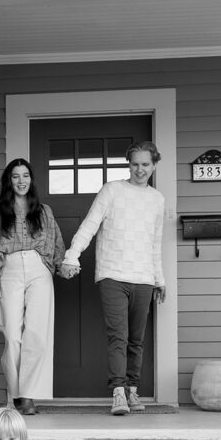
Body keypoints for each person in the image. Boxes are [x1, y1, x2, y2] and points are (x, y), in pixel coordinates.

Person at [60, 141, 166, 415]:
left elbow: (155, 243)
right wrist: (72, 256)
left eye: (145, 164)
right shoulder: (112, 190)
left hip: (143, 277)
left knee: (137, 339)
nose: (140, 170)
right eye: (135, 164)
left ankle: (133, 391)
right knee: (118, 335)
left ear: (154, 165)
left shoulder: (157, 199)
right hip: (112, 274)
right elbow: (90, 225)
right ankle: (118, 393)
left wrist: (159, 278)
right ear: (128, 165)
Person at [0, 158, 66, 416]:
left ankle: (26, 396)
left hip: (39, 269)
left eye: (25, 175)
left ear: (31, 179)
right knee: (12, 335)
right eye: (15, 176)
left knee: (37, 334)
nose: (21, 181)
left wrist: (63, 266)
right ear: (9, 180)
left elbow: (56, 242)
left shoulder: (43, 211)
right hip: (10, 269)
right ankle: (16, 393)